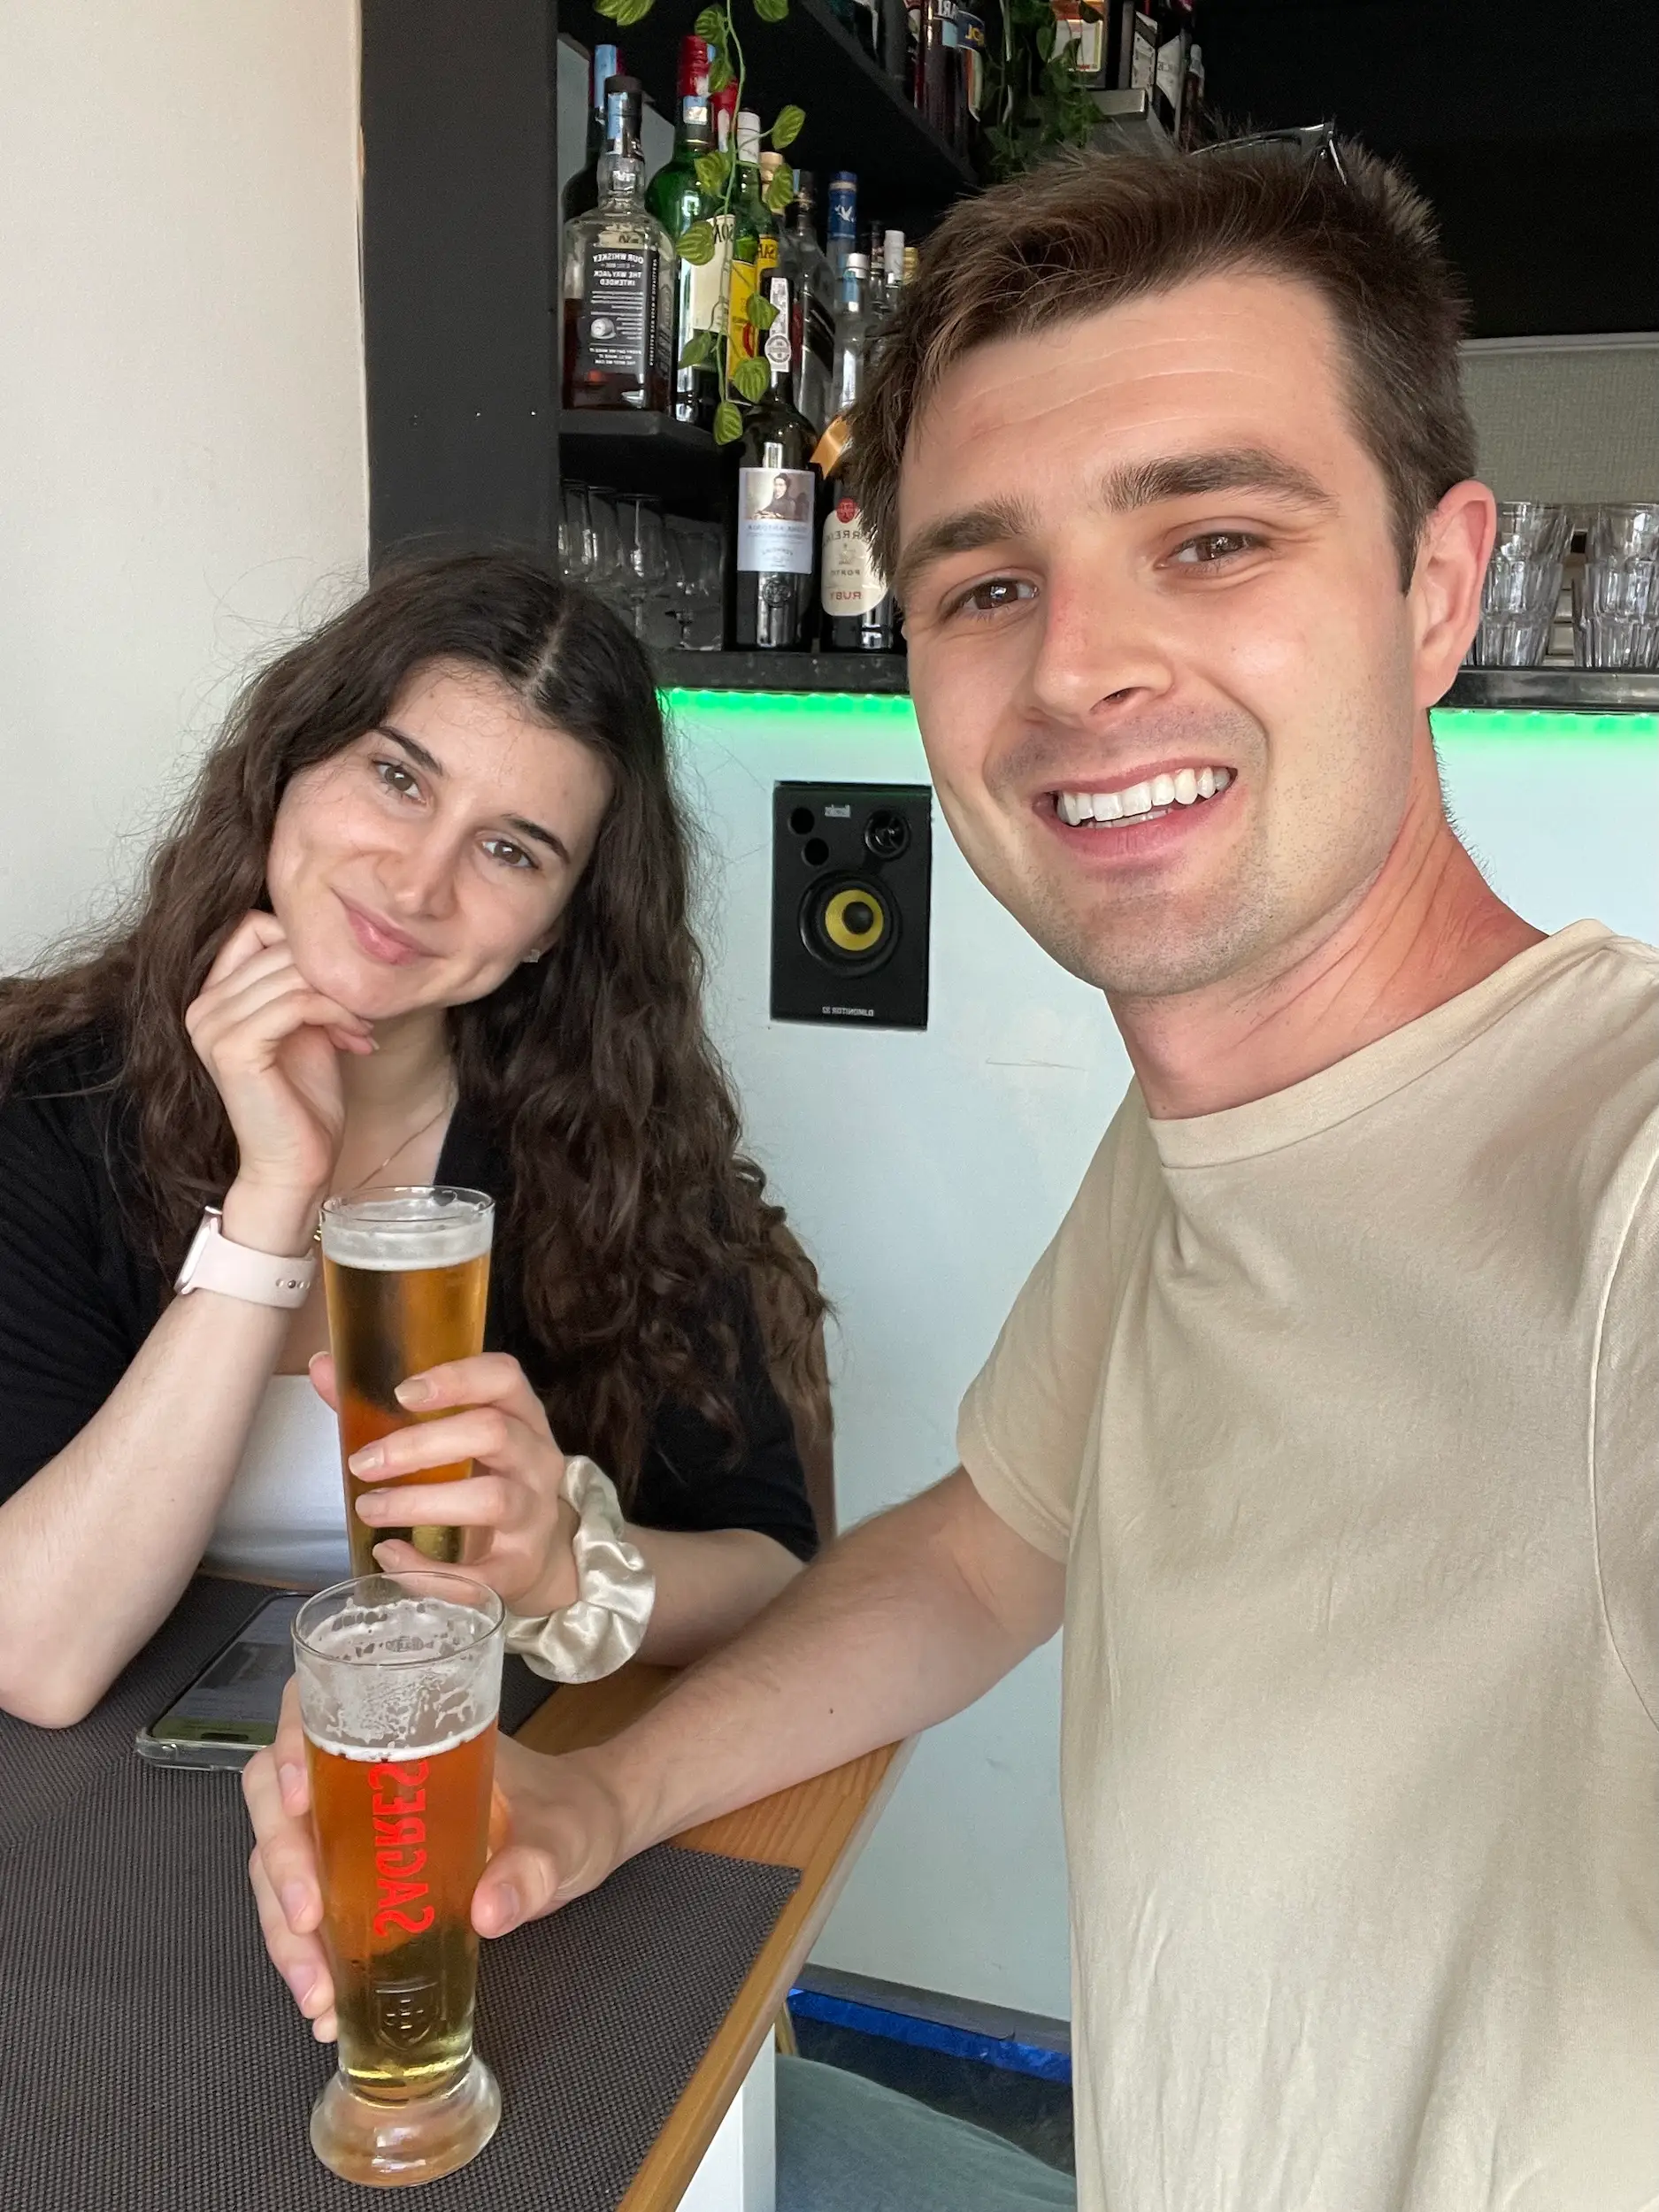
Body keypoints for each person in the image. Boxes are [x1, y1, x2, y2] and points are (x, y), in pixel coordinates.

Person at [246, 142, 1658, 2209]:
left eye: (1214, 536)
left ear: (1434, 588)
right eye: (986, 582)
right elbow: (992, 1542)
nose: (1077, 666)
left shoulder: (1611, 1174)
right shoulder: (1199, 1147)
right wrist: (591, 1791)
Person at [0, 553, 826, 1729]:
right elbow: (35, 1652)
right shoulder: (43, 1102)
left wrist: (563, 1567)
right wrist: (274, 1198)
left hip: (475, 1793)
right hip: (92, 1825)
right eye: (397, 778)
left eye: (511, 850)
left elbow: (771, 1570)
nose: (417, 882)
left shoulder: (611, 1156)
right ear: (288, 767)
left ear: (555, 927)